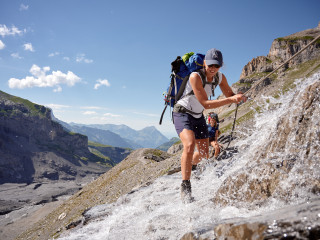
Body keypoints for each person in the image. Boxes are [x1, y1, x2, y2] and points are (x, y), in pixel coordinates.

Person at [172, 48, 247, 203]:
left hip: (198, 116)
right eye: (210, 65)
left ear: (220, 66)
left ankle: (189, 165)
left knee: (205, 153)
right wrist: (231, 100)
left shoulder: (220, 77)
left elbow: (229, 95)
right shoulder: (195, 76)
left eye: (216, 66)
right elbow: (205, 103)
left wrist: (239, 97)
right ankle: (185, 186)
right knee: (189, 144)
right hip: (182, 112)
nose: (213, 69)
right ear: (205, 62)